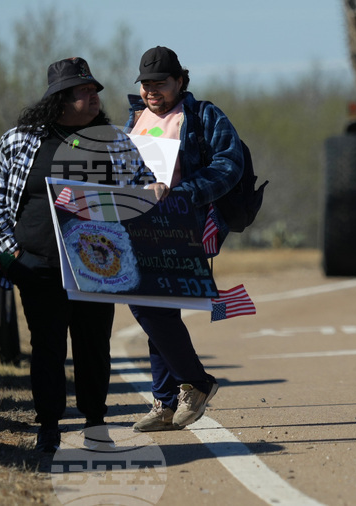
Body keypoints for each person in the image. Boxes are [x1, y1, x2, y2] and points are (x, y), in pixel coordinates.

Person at [0, 57, 164, 452]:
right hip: (38, 265)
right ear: (61, 99)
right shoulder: (19, 140)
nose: (94, 95)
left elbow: (143, 188)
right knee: (47, 346)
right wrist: (13, 254)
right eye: (84, 90)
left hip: (99, 265)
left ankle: (96, 425)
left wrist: (155, 192)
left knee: (94, 345)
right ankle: (49, 426)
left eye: (95, 89)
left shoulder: (115, 141)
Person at [126, 46, 244, 432]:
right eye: (145, 84)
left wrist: (185, 192)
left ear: (180, 80)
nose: (151, 90)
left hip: (184, 226)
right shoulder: (134, 119)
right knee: (154, 308)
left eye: (159, 82)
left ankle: (193, 382)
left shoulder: (204, 116)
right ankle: (166, 401)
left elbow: (230, 164)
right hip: (138, 227)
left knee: (150, 306)